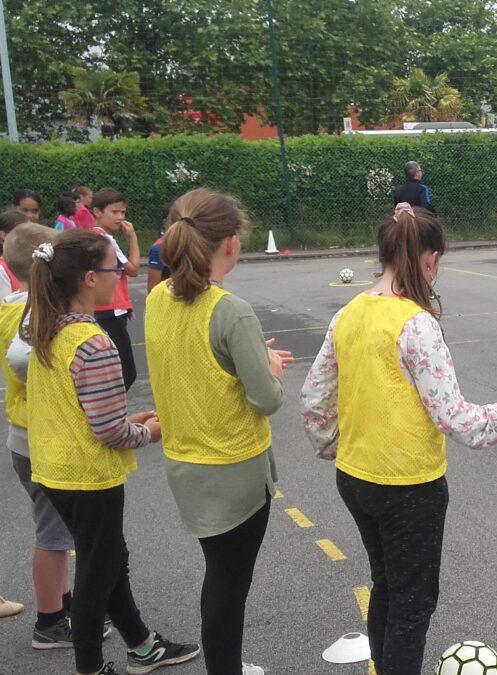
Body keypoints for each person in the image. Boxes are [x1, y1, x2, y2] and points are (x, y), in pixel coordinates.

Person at [299, 204, 497, 675]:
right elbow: (454, 417)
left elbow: (314, 398)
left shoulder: (348, 313)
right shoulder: (416, 325)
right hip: (408, 487)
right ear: (429, 259)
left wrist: (336, 448)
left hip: (355, 478)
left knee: (386, 585)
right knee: (412, 605)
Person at [24, 230, 200, 675]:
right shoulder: (94, 343)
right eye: (112, 267)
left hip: (54, 469)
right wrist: (148, 432)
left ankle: (142, 646)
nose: (121, 273)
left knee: (108, 559)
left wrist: (129, 420)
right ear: (88, 278)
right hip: (89, 477)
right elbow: (110, 433)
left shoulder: (46, 330)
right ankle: (90, 668)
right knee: (96, 577)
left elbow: (81, 411)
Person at [145, 188, 290, 675]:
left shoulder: (157, 298)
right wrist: (267, 366)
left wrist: (252, 358)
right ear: (231, 243)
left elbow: (193, 363)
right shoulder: (230, 310)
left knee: (220, 576)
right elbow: (266, 398)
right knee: (229, 584)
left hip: (186, 465)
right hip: (234, 470)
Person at [2, 223, 82, 650]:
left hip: (23, 434)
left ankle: (65, 605)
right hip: (43, 438)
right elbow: (21, 360)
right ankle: (50, 621)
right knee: (53, 538)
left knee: (58, 532)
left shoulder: (9, 308)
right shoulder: (36, 313)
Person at [90, 188, 140, 390]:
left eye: (123, 212)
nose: (120, 217)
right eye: (114, 212)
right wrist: (133, 237)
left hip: (109, 308)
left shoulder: (95, 235)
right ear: (97, 212)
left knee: (112, 369)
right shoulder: (105, 239)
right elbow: (133, 270)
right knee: (126, 373)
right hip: (109, 309)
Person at [0, 209, 30, 297]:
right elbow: (5, 306)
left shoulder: (26, 263)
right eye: (23, 233)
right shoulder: (1, 269)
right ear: (4, 235)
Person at [146, 203, 174, 293]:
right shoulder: (158, 249)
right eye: (174, 220)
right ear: (165, 222)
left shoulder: (190, 245)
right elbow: (152, 289)